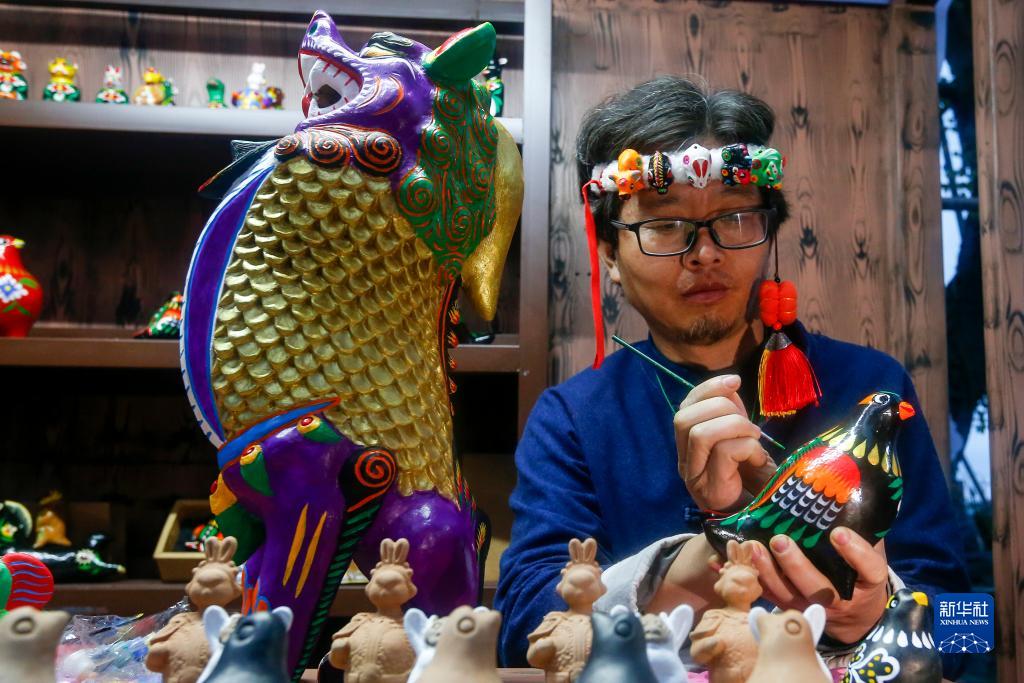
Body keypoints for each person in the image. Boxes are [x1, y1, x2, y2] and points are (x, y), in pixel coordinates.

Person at [494, 76, 970, 674]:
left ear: (769, 232)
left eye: (737, 216)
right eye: (664, 224)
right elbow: (524, 631)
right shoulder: (575, 418)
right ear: (610, 254)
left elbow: (972, 627)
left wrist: (875, 614)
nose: (706, 252)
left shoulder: (873, 387)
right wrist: (710, 552)